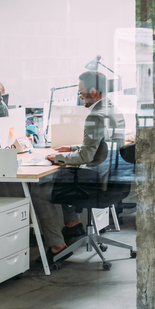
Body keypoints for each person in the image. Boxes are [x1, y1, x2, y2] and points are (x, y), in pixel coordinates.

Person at [31, 71, 125, 264]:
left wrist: (57, 157)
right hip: (113, 180)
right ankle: (73, 225)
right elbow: (102, 145)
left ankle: (57, 246)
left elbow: (86, 156)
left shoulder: (95, 116)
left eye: (81, 92)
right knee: (64, 175)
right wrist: (71, 148)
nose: (80, 96)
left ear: (93, 91)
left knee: (39, 189)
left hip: (97, 184)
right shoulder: (112, 110)